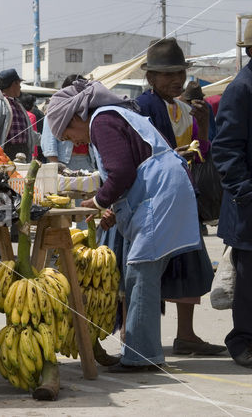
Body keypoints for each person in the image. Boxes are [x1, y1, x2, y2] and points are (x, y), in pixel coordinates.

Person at [47, 79, 202, 372]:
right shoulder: (111, 116)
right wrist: (114, 208)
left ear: (76, 117)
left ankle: (141, 358)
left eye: (67, 133)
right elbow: (131, 167)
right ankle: (144, 352)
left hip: (162, 195)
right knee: (140, 272)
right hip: (162, 193)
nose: (72, 141)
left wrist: (98, 201)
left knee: (141, 271)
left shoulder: (101, 121)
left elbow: (121, 173)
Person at [136, 38, 224, 356]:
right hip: (155, 202)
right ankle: (141, 341)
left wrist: (202, 126)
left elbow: (201, 155)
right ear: (150, 78)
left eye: (180, 74)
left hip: (183, 199)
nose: (176, 80)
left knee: (188, 267)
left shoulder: (185, 110)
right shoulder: (142, 109)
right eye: (167, 74)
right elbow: (141, 156)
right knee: (149, 276)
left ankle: (186, 335)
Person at [211, 19, 252, 369]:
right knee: (250, 281)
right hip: (248, 207)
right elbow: (224, 149)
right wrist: (245, 190)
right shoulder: (242, 88)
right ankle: (243, 342)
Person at [42, 74, 95, 171]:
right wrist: (55, 166)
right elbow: (48, 142)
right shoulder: (55, 112)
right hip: (65, 163)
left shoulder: (85, 110)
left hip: (87, 161)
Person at [0, 69, 35, 162]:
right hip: (7, 152)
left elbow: (28, 132)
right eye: (19, 84)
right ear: (13, 84)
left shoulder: (17, 104)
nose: (20, 87)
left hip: (23, 152)